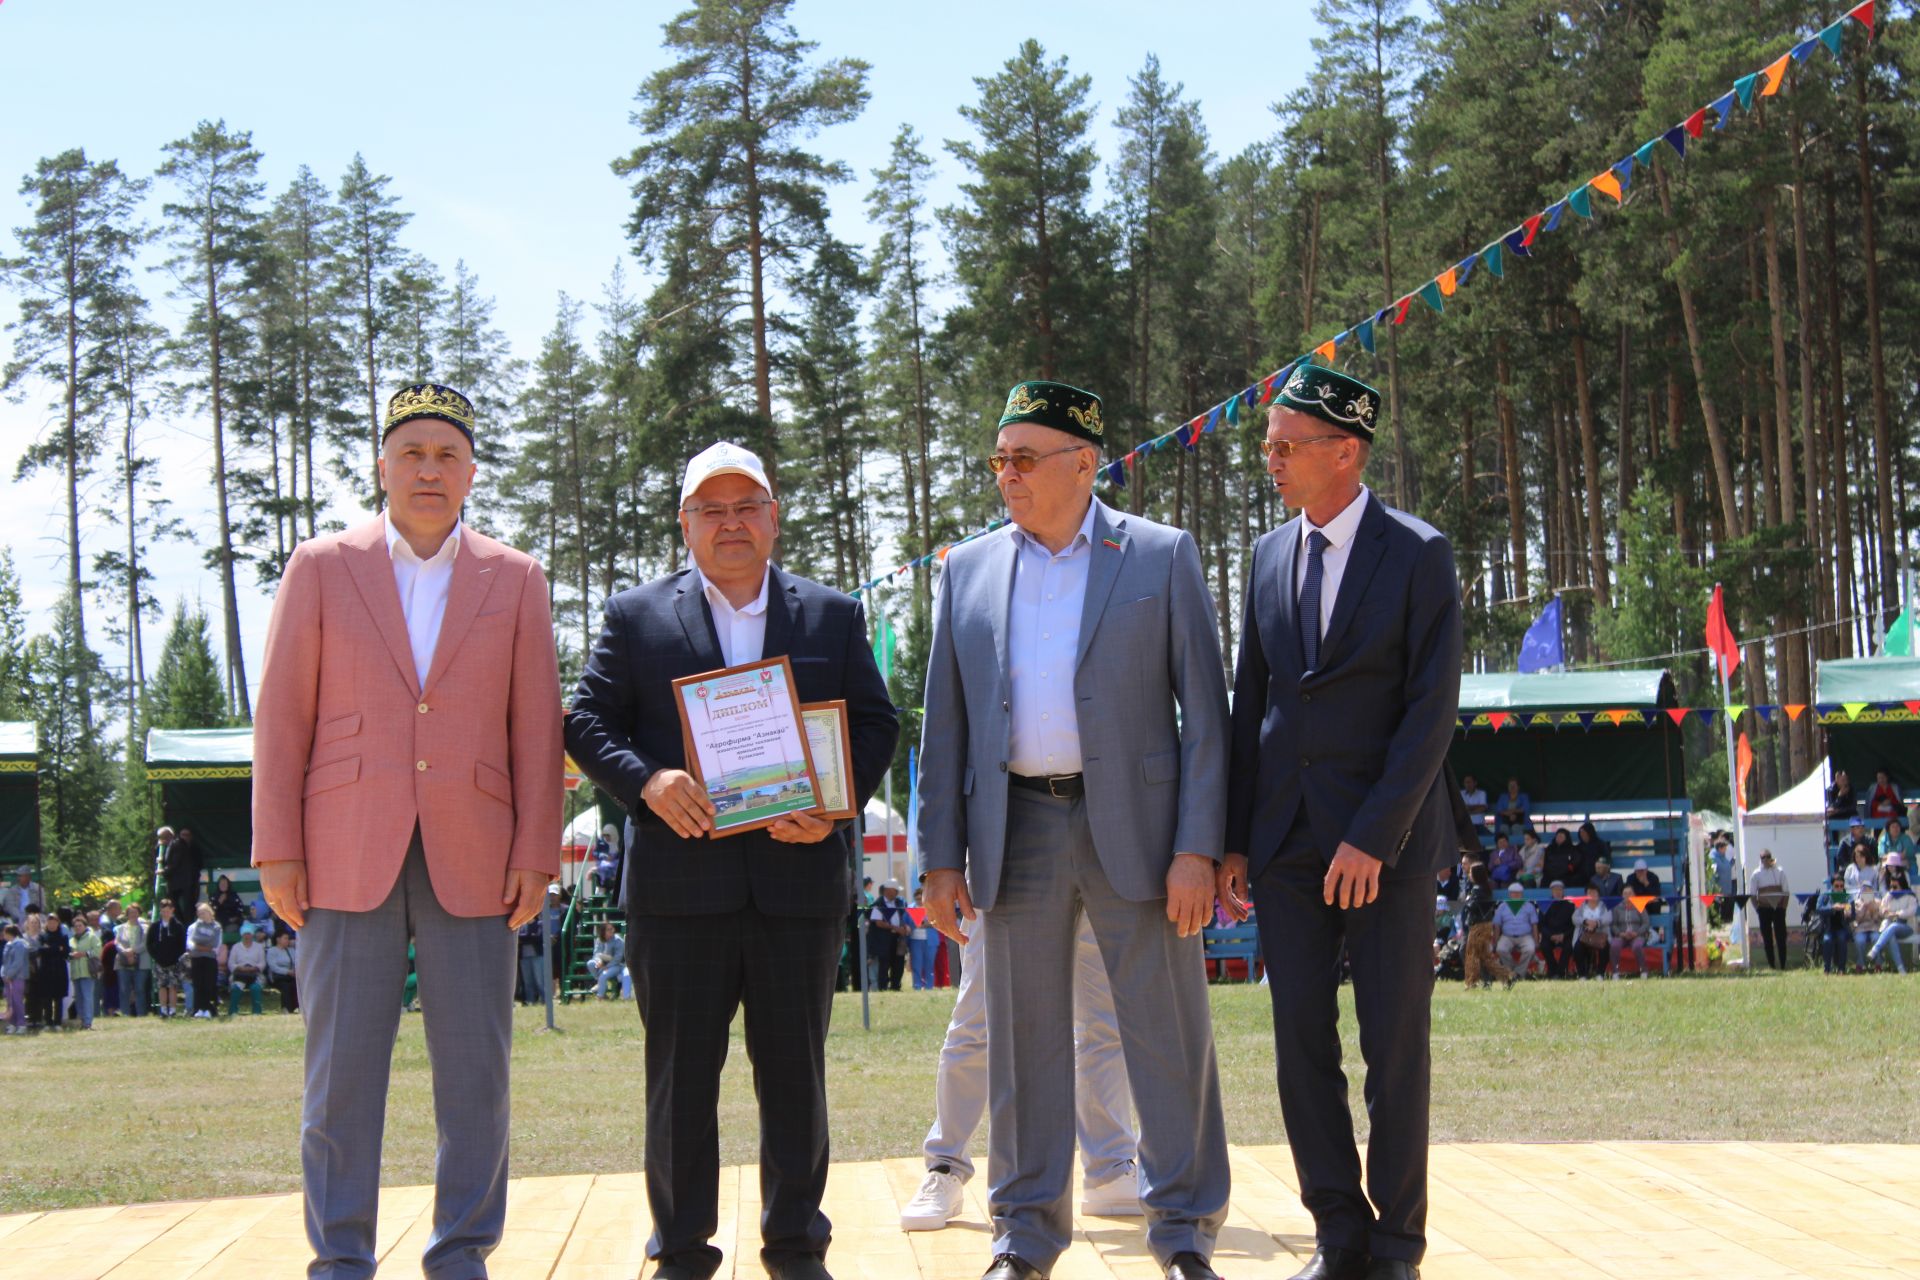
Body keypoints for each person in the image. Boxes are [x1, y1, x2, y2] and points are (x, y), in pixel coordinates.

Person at [251, 383, 564, 1280]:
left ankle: (462, 1252)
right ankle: (341, 1258)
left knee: (477, 1078)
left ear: (471, 472)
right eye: (412, 452)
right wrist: (277, 844)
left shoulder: (515, 577)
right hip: (342, 850)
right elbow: (282, 717)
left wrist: (536, 850)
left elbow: (535, 727)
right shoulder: (320, 565)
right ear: (382, 466)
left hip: (478, 854)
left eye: (447, 455)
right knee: (340, 1078)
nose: (430, 469)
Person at [564, 440, 897, 1280]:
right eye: (710, 509)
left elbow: (874, 724)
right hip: (680, 893)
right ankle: (680, 1250)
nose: (731, 523)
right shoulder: (634, 616)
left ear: (774, 517)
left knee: (796, 1079)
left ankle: (795, 1245)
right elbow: (585, 723)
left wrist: (832, 801)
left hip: (798, 888)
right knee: (679, 1085)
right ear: (685, 525)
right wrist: (647, 780)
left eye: (747, 505)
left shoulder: (832, 614)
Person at [921, 381, 1230, 1280]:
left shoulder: (1162, 556)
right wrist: (942, 858)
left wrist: (1197, 849)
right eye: (999, 460)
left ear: (1084, 463)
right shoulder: (967, 568)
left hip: (1137, 827)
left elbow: (1206, 716)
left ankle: (1183, 1233)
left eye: (1024, 458)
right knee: (1022, 1043)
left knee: (1168, 1036)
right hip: (1013, 827)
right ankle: (1022, 1237)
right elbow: (946, 726)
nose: (1006, 475)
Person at [1220, 364, 1463, 1280]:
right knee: (1298, 1047)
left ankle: (1397, 1243)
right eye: (1267, 446)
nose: (1270, 461)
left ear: (1345, 452)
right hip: (1285, 841)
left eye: (1286, 446)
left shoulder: (1417, 552)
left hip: (1385, 844)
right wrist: (1238, 834)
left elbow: (1430, 712)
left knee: (1393, 1047)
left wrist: (1374, 833)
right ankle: (1339, 1232)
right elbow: (1254, 704)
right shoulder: (1266, 555)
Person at [900, 913, 1141, 1232]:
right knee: (975, 1024)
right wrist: (940, 869)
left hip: (1096, 872)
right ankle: (945, 1167)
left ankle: (1109, 1170)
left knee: (1104, 1025)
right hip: (1003, 870)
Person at [1458, 863, 1512, 989]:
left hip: (1477, 926)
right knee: (1484, 957)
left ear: (1476, 875)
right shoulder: (1486, 887)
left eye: (1471, 872)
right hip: (1486, 925)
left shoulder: (1477, 890)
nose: (1469, 875)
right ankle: (1506, 977)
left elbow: (1473, 907)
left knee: (1470, 954)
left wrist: (1467, 901)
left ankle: (1472, 983)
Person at [1865, 865, 1915, 972]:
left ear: (1902, 885)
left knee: (1893, 926)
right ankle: (1901, 968)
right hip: (1889, 927)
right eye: (1891, 886)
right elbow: (1882, 909)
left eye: (1895, 887)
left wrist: (1896, 914)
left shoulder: (1910, 896)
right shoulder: (1888, 895)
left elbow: (1911, 911)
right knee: (1890, 934)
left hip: (1905, 928)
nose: (1892, 889)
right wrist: (1885, 912)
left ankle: (1876, 949)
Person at [1750, 850, 1791, 970]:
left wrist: (1783, 908)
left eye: (1767, 857)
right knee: (1767, 938)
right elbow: (1752, 894)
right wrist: (1758, 909)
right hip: (1764, 910)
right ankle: (1772, 965)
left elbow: (1786, 891)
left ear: (1771, 858)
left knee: (1781, 937)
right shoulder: (1756, 874)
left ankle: (1783, 964)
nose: (1765, 860)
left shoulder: (1779, 871)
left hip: (1778, 909)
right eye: (1763, 858)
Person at [867, 881, 911, 991]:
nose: (897, 893)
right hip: (884, 940)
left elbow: (900, 918)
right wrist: (896, 929)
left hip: (898, 939)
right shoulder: (878, 904)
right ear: (888, 890)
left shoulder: (899, 903)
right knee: (884, 964)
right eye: (895, 890)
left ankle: (896, 986)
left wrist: (905, 927)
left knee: (899, 962)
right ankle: (883, 987)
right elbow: (879, 923)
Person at [147, 899, 187, 1018]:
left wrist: (175, 958)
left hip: (174, 962)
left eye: (168, 911)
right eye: (163, 911)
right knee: (161, 986)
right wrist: (156, 957)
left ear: (172, 911)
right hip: (160, 962)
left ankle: (173, 1010)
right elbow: (149, 944)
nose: (165, 913)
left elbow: (182, 945)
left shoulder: (178, 926)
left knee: (173, 986)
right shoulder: (155, 926)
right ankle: (163, 1009)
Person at [1492, 882, 1537, 977]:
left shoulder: (1529, 906)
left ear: (1522, 894)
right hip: (1507, 936)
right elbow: (1497, 925)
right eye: (1513, 893)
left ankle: (1518, 973)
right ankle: (1514, 971)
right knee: (1500, 949)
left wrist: (1536, 941)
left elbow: (1534, 925)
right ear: (1509, 894)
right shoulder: (1502, 906)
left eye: (1518, 893)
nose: (1516, 895)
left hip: (1525, 935)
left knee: (1530, 949)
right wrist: (1495, 941)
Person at [186, 902, 221, 1019]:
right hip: (197, 959)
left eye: (203, 912)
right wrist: (205, 946)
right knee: (198, 984)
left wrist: (201, 944)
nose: (201, 915)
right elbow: (192, 942)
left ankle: (207, 1008)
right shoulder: (194, 926)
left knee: (208, 984)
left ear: (209, 912)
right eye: (199, 913)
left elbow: (215, 944)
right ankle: (199, 1009)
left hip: (210, 960)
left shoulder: (216, 927)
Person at [115, 903, 149, 1017]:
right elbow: (117, 943)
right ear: (127, 914)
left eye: (135, 912)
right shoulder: (120, 928)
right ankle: (125, 1013)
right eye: (130, 913)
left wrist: (132, 951)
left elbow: (145, 944)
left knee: (140, 989)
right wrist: (125, 952)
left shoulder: (145, 928)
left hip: (141, 961)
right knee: (124, 989)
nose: (133, 915)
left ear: (139, 913)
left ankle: (141, 1013)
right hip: (123, 961)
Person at [1609, 894, 1655, 977]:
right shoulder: (1617, 908)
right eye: (1625, 894)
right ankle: (1615, 972)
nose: (1628, 896)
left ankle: (1644, 970)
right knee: (1614, 945)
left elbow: (1646, 923)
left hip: (1637, 935)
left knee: (1637, 946)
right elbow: (1613, 925)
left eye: (1630, 894)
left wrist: (1637, 933)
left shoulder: (1640, 907)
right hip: (1622, 935)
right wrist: (1620, 933)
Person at [227, 924, 268, 1015]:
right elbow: (231, 963)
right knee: (236, 988)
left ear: (252, 935)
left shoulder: (258, 947)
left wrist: (255, 968)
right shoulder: (236, 947)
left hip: (255, 973)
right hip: (239, 974)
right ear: (242, 935)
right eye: (245, 934)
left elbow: (262, 963)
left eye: (249, 934)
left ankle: (257, 1011)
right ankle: (233, 1011)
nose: (247, 936)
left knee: (255, 988)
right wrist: (239, 967)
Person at [165, 829, 203, 927]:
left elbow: (199, 864)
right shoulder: (175, 845)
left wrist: (165, 872)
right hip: (178, 882)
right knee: (174, 903)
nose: (185, 837)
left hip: (190, 882)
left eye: (187, 834)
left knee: (189, 907)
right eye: (183, 834)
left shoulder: (193, 848)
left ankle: (186, 926)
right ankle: (182, 924)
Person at [68, 912, 100, 1029]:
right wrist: (71, 955)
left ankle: (88, 1022)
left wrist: (83, 954)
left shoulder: (92, 937)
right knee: (79, 998)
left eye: (80, 925)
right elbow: (68, 954)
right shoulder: (71, 940)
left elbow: (97, 951)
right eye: (75, 926)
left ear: (85, 926)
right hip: (76, 972)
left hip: (88, 972)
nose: (77, 928)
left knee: (87, 997)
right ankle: (80, 1020)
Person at [1538, 882, 1576, 978]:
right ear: (1552, 892)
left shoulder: (1570, 906)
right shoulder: (1544, 906)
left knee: (1568, 947)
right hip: (1550, 935)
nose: (1558, 892)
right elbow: (1541, 925)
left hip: (1565, 935)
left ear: (1563, 891)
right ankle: (1553, 969)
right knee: (1544, 946)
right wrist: (1550, 935)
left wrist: (1564, 935)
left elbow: (1573, 925)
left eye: (1560, 890)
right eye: (1555, 890)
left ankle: (1560, 971)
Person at [1817, 875, 1852, 974]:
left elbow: (1852, 911)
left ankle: (1841, 968)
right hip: (1828, 927)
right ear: (1832, 885)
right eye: (1837, 886)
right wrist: (1832, 908)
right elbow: (1819, 909)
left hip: (1842, 927)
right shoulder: (1825, 895)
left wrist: (1847, 911)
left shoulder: (1847, 896)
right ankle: (1827, 969)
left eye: (1842, 886)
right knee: (1827, 940)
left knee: (1842, 939)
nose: (1839, 888)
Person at [1573, 890, 1611, 979]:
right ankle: (1582, 974)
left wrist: (1596, 923)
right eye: (1590, 893)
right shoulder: (1581, 906)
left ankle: (1600, 973)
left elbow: (1609, 918)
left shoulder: (1604, 906)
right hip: (1584, 936)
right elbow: (1574, 918)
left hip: (1601, 935)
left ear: (1599, 895)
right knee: (1577, 947)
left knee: (1605, 947)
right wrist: (1585, 921)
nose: (1592, 895)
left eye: (1595, 893)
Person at [907, 889, 938, 991]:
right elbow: (905, 922)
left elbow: (938, 922)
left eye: (921, 898)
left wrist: (927, 924)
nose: (919, 901)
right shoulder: (910, 908)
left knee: (929, 965)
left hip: (931, 941)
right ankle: (917, 986)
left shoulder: (932, 908)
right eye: (917, 898)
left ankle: (929, 987)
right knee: (916, 964)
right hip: (915, 940)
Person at [516, 904, 547, 1006]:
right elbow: (519, 938)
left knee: (539, 980)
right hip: (524, 957)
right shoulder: (522, 926)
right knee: (527, 981)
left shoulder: (539, 924)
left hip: (537, 956)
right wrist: (528, 937)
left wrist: (525, 938)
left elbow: (538, 937)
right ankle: (530, 1000)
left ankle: (545, 1000)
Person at [587, 921, 624, 1001]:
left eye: (612, 929)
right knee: (590, 963)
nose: (612, 931)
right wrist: (599, 961)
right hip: (603, 963)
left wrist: (605, 967)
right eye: (609, 929)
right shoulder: (599, 940)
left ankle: (600, 997)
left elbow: (618, 958)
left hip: (616, 965)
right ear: (603, 931)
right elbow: (596, 954)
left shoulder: (618, 940)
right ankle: (600, 983)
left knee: (603, 976)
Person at [266, 930, 299, 1013]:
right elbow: (273, 966)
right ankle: (286, 1008)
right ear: (278, 939)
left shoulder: (291, 950)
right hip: (278, 976)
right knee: (285, 986)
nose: (287, 940)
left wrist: (294, 972)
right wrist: (287, 972)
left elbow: (297, 962)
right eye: (285, 938)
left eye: (288, 938)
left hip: (291, 976)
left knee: (296, 985)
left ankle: (297, 1007)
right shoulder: (272, 951)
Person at [1573, 823, 1610, 889]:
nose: (1582, 835)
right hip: (1582, 875)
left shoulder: (1600, 845)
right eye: (1581, 833)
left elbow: (1606, 859)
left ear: (1589, 832)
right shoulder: (1579, 847)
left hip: (1597, 873)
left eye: (1584, 833)